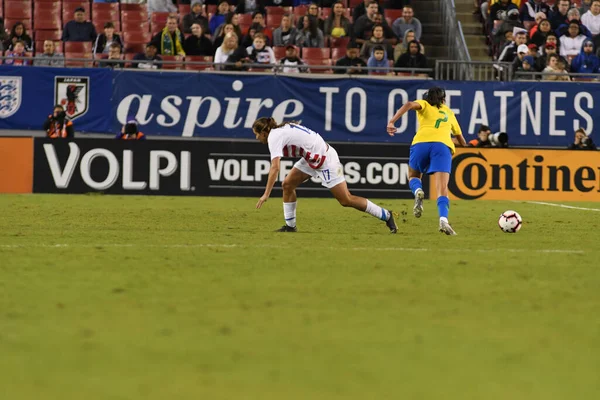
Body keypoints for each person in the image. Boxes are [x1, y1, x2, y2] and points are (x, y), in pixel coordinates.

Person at [252, 117, 398, 234]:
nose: (257, 138)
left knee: (346, 200)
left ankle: (386, 215)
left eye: (257, 134)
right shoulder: (279, 131)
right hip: (312, 158)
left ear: (264, 132)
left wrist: (266, 194)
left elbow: (275, 167)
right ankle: (290, 226)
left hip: (325, 160)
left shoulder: (273, 137)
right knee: (287, 184)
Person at [387, 87, 467, 235]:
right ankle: (443, 220)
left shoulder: (424, 105)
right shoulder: (449, 113)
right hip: (442, 147)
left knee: (413, 176)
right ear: (443, 99)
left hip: (421, 143)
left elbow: (409, 104)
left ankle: (418, 190)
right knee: (442, 188)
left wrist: (392, 121)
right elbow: (462, 141)